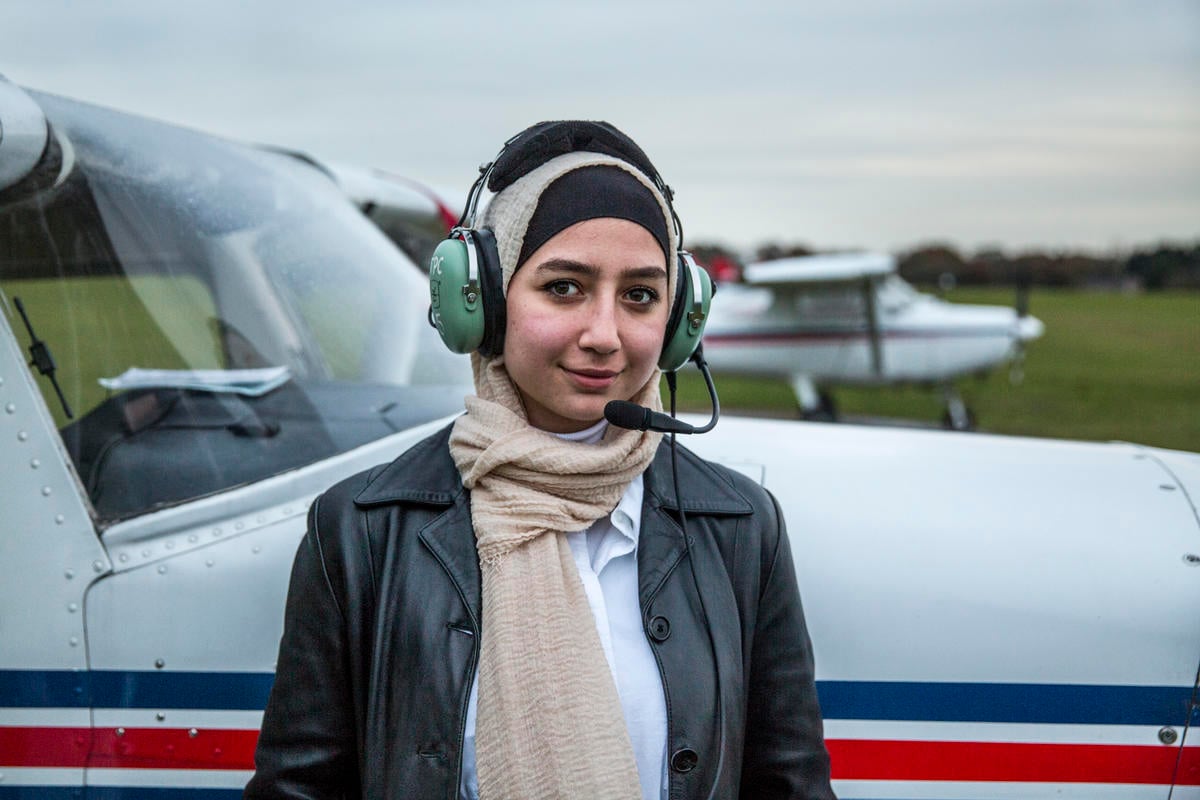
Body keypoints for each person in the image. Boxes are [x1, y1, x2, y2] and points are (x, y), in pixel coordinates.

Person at [244, 121, 834, 800]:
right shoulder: (360, 528)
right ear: (483, 303)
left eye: (640, 295)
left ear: (679, 321)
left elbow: (789, 783)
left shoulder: (741, 526)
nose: (604, 335)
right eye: (563, 288)